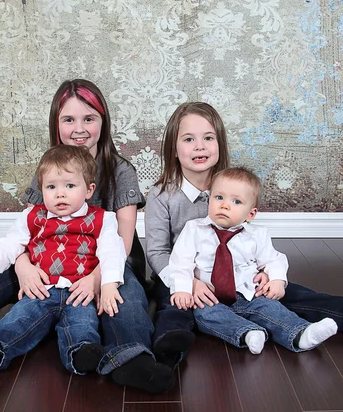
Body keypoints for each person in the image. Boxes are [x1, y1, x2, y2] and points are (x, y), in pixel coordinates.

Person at [0, 79, 174, 393]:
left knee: (125, 302)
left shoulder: (119, 170)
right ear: (57, 124)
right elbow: (25, 229)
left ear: (103, 123)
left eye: (89, 119)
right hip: (46, 261)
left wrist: (97, 279)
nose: (79, 128)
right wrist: (24, 267)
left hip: (108, 265)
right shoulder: (50, 168)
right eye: (69, 120)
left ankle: (130, 359)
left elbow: (123, 237)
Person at [145, 102, 343, 367]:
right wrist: (190, 283)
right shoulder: (161, 196)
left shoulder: (234, 189)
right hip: (180, 273)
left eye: (208, 138)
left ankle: (325, 315)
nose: (199, 146)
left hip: (239, 274)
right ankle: (170, 349)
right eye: (189, 139)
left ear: (220, 144)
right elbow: (158, 252)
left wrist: (269, 276)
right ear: (174, 149)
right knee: (175, 308)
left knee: (285, 294)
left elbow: (254, 242)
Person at [0, 145, 127, 373]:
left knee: (81, 324)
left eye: (70, 185)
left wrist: (108, 284)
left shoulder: (102, 219)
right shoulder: (32, 216)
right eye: (51, 187)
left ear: (89, 190)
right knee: (18, 319)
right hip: (41, 290)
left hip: (79, 291)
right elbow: (8, 245)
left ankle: (81, 354)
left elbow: (112, 251)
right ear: (42, 190)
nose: (60, 193)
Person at [169, 167, 338, 353]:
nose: (225, 205)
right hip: (210, 295)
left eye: (236, 201)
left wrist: (276, 280)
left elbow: (274, 260)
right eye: (219, 197)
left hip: (248, 293)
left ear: (251, 214)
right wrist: (183, 289)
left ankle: (300, 333)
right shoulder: (194, 230)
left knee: (272, 308)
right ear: (209, 199)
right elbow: (180, 263)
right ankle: (248, 333)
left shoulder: (257, 234)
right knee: (205, 316)